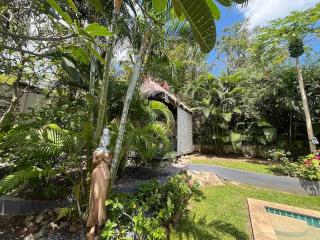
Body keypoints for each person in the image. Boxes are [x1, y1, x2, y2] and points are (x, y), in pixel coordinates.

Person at [87, 129, 112, 239]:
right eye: (104, 137)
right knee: (95, 198)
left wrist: (104, 158)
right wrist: (99, 157)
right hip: (97, 174)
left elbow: (109, 163)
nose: (106, 139)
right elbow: (93, 163)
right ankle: (92, 224)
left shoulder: (109, 152)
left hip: (105, 174)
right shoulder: (97, 151)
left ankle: (100, 223)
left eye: (107, 138)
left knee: (102, 199)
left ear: (108, 140)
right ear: (101, 139)